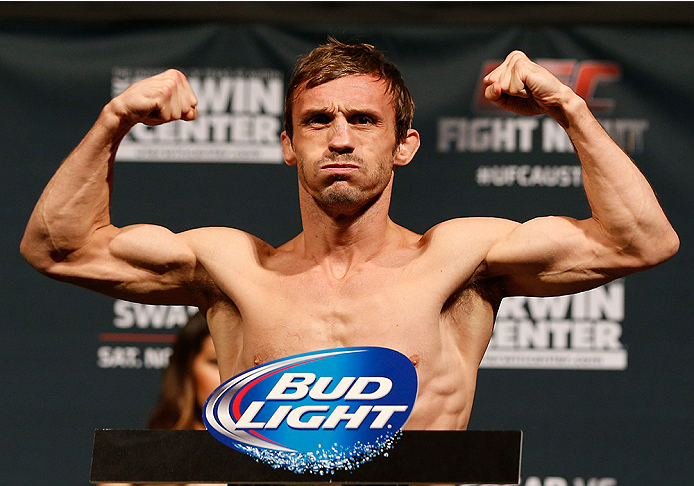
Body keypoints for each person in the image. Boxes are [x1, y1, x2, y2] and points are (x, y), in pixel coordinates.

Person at [21, 39, 678, 432]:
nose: (340, 138)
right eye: (317, 121)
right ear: (288, 144)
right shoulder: (232, 267)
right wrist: (114, 120)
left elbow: (640, 241)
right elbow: (58, 247)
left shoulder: (460, 260)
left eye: (363, 120)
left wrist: (569, 106)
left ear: (404, 146)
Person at [98, 311, 224, 486]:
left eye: (246, 364)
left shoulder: (272, 460)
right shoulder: (129, 468)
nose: (233, 376)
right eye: (216, 362)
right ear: (186, 370)